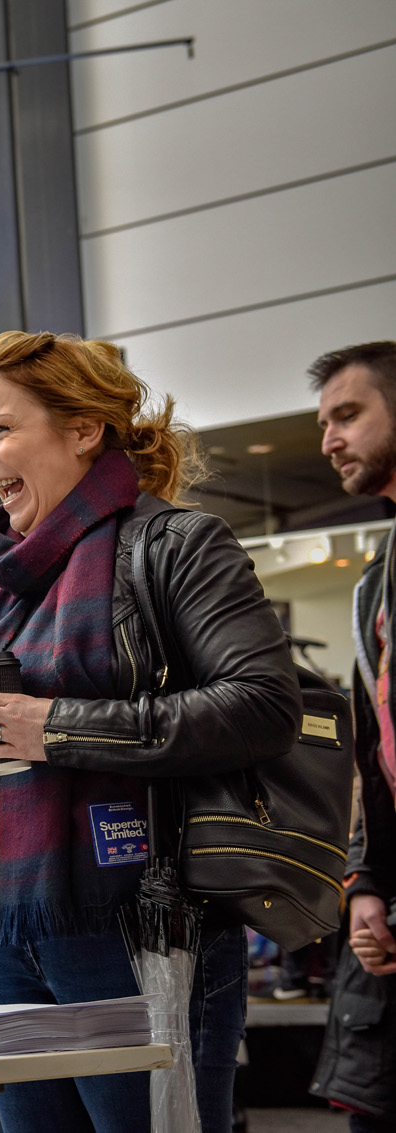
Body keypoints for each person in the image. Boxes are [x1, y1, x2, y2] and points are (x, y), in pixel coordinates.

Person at [0, 331, 301, 1133]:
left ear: (84, 429)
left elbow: (262, 706)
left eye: (1, 430)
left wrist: (57, 727)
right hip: (19, 920)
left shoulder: (178, 544)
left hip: (145, 922)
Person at [309, 341, 396, 1131]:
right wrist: (365, 880)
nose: (329, 439)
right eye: (324, 420)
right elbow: (376, 757)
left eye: (348, 415)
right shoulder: (377, 578)